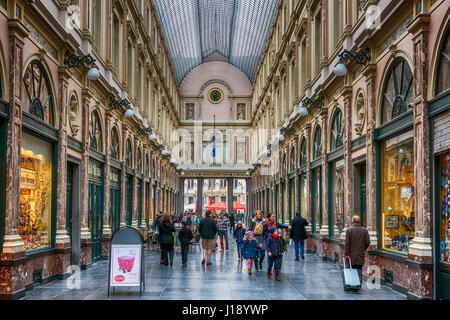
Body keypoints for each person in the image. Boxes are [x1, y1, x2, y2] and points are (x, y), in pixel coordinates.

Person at [344, 215, 370, 282]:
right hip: (360, 254)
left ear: (352, 221)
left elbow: (347, 244)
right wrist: (363, 248)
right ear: (359, 221)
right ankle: (359, 284)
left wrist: (347, 254)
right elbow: (368, 242)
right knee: (359, 269)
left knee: (351, 269)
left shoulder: (349, 230)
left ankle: (352, 284)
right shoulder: (365, 230)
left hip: (351, 255)